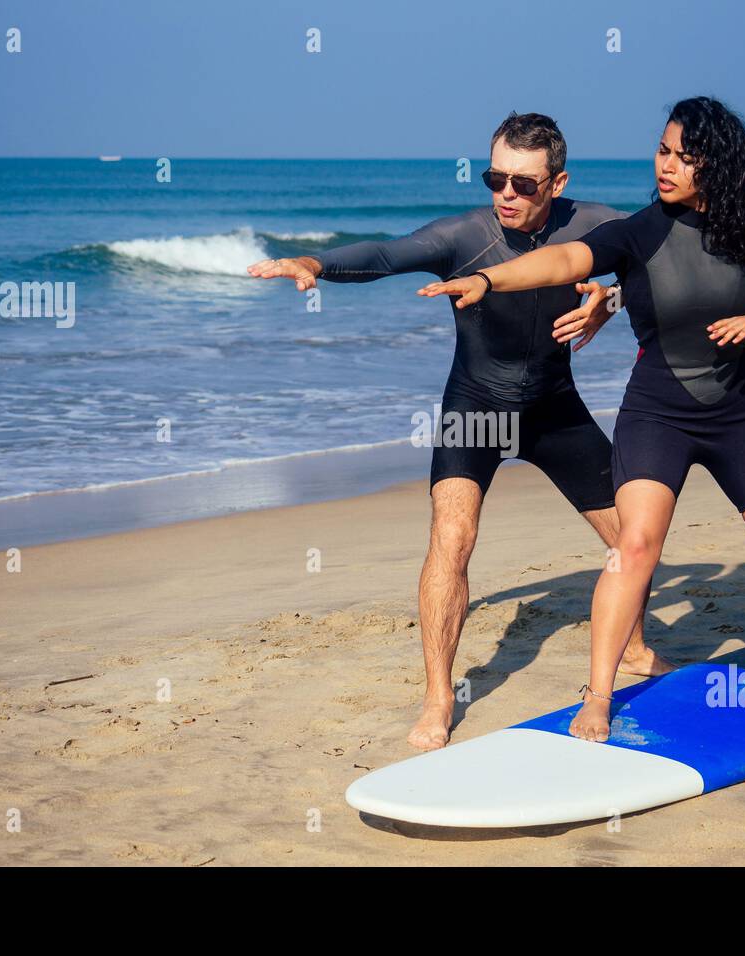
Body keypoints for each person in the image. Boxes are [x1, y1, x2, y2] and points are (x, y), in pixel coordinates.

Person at [419, 97, 745, 743]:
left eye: (684, 156)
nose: (667, 165)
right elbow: (565, 262)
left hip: (743, 414)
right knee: (633, 550)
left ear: (718, 165)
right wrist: (492, 279)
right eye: (662, 150)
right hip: (659, 414)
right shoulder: (638, 231)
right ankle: (598, 694)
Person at [248, 112, 673, 750]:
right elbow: (386, 253)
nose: (505, 193)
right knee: (453, 537)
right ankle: (440, 696)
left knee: (634, 534)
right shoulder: (464, 235)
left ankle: (635, 647)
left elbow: (654, 268)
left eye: (523, 184)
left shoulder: (596, 225)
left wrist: (605, 303)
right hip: (475, 410)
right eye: (494, 177)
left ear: (556, 183)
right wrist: (313, 262)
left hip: (555, 409)